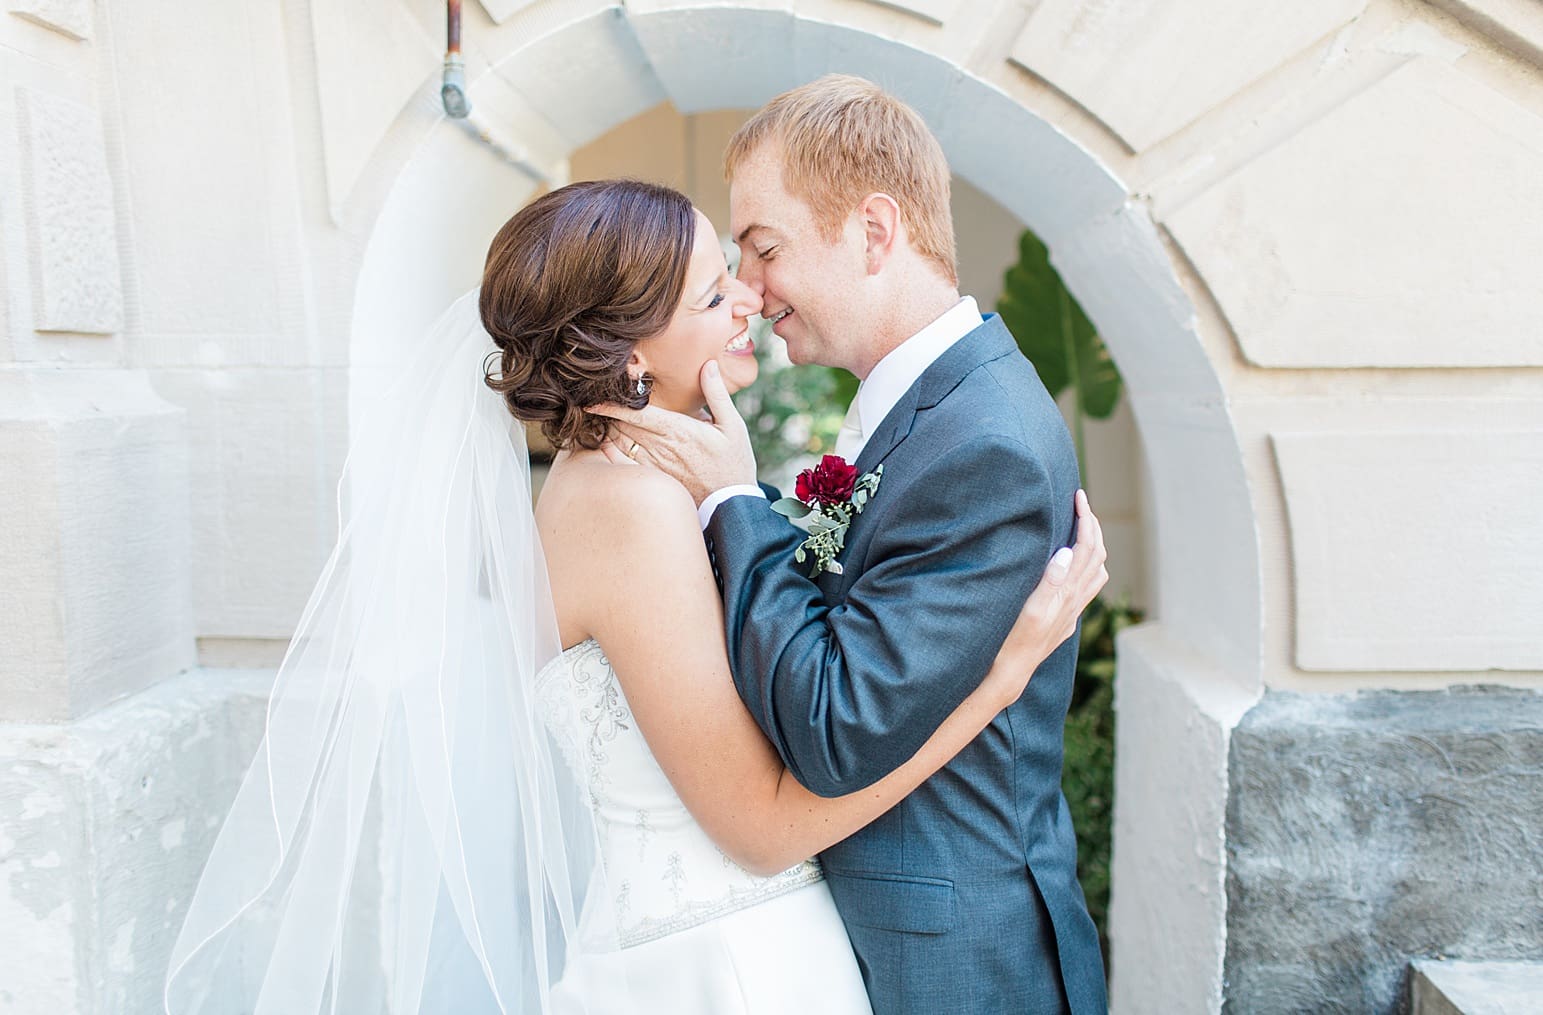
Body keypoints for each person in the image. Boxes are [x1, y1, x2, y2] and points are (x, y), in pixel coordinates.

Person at [164, 180, 1106, 1015]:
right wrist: (995, 680)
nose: (748, 296)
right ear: (627, 351)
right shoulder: (624, 509)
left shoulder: (645, 485)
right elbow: (764, 829)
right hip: (721, 964)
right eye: (712, 290)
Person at [594, 76, 1110, 1014]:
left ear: (874, 231)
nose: (748, 291)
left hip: (952, 968)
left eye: (765, 249)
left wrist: (728, 501)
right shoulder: (922, 409)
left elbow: (840, 727)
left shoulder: (982, 440)